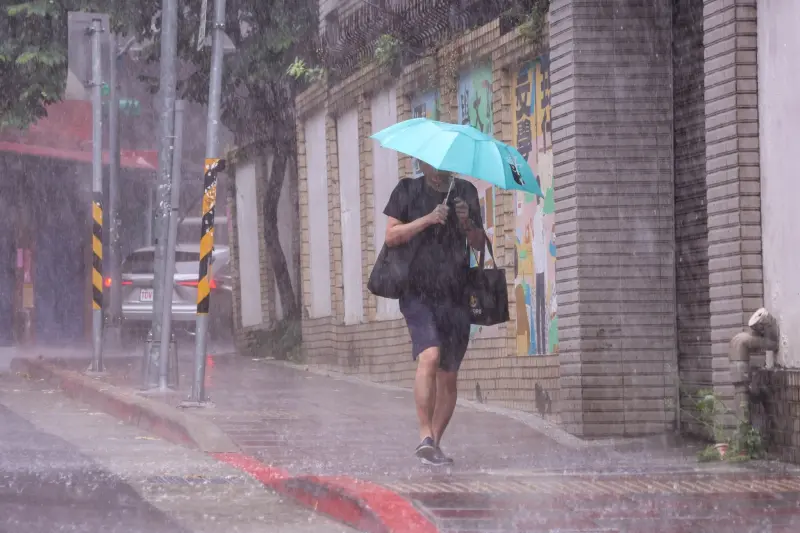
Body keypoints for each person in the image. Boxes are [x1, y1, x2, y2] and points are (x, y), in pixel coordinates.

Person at [383, 161, 485, 466]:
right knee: (429, 355)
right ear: (422, 163)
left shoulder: (465, 192)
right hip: (417, 292)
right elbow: (391, 236)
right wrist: (427, 219)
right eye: (432, 162)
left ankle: (434, 444)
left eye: (445, 163)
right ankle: (424, 435)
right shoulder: (407, 190)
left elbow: (479, 244)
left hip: (456, 293)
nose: (439, 168)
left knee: (449, 376)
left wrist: (467, 223)